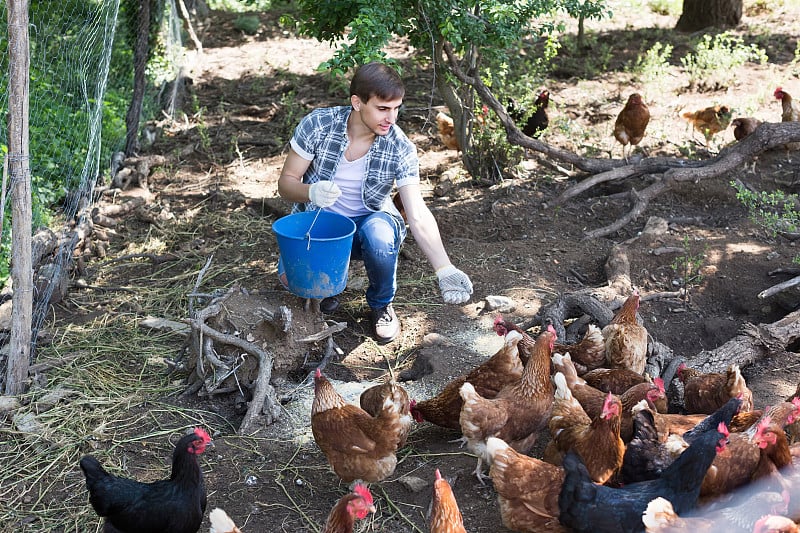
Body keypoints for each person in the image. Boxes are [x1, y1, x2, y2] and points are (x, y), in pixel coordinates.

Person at [277, 62, 473, 344]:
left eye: (396, 108)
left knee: (380, 237)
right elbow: (286, 183)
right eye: (383, 108)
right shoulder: (319, 124)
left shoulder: (399, 145)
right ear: (357, 102)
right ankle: (327, 291)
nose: (391, 118)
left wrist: (445, 268)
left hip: (370, 221)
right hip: (322, 227)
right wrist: (311, 192)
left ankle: (381, 304)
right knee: (290, 283)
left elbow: (417, 213)